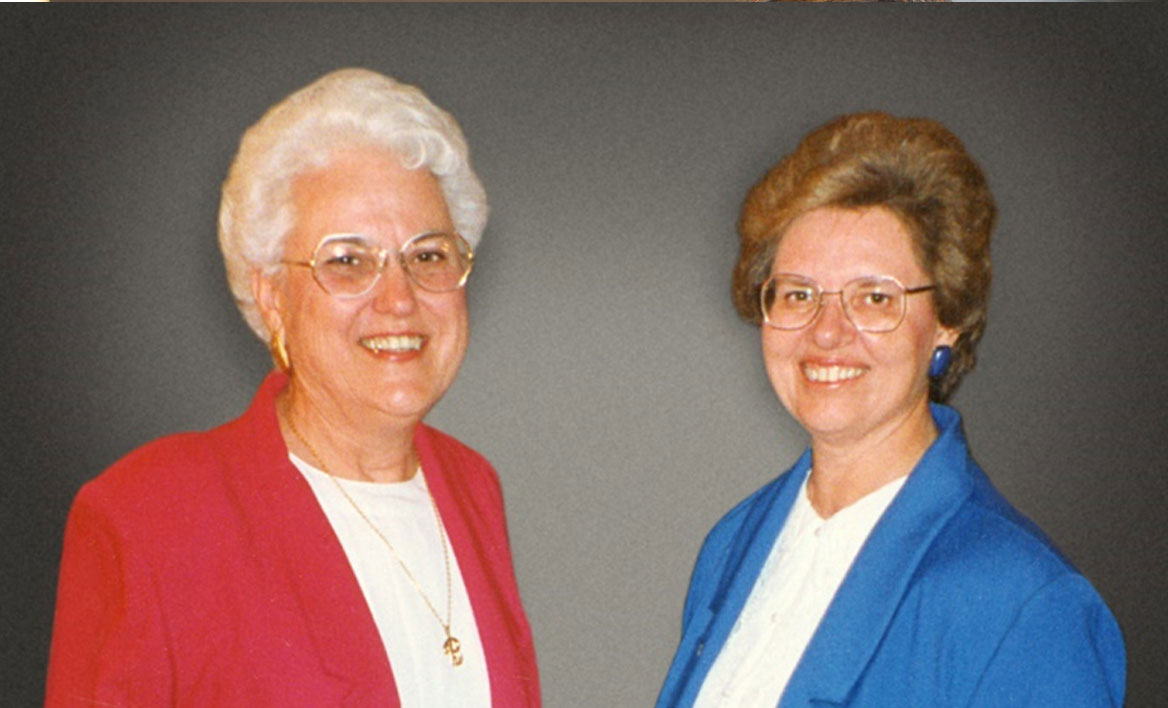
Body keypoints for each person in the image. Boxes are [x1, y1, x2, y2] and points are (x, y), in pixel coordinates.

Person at [46, 68, 540, 706]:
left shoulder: (472, 487)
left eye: (428, 255)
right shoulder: (149, 514)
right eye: (347, 260)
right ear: (272, 297)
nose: (398, 300)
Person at [656, 112, 1124, 707]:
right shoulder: (734, 543)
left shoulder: (1024, 605)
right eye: (799, 293)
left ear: (947, 321)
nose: (827, 333)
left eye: (875, 298)